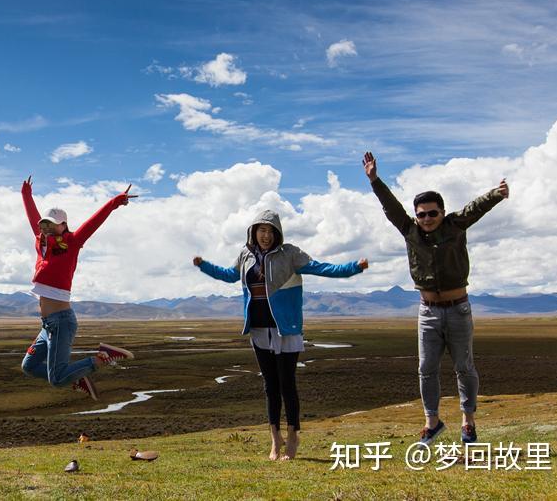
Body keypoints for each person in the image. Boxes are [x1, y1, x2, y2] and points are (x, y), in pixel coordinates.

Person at [193, 210, 368, 461]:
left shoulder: (290, 254)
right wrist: (204, 266)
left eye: (270, 231)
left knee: (287, 384)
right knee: (270, 387)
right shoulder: (245, 255)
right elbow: (229, 275)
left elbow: (322, 268)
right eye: (261, 230)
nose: (265, 235)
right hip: (258, 329)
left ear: (277, 233)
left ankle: (293, 434)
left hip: (285, 329)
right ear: (253, 231)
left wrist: (354, 268)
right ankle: (275, 440)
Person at [362, 151, 508, 447]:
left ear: (442, 212)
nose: (426, 218)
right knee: (426, 368)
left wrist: (497, 193)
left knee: (464, 367)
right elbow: (391, 208)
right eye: (421, 214)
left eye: (432, 213)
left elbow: (475, 208)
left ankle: (468, 422)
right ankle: (433, 422)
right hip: (427, 312)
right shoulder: (410, 231)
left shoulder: (455, 226)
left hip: (458, 310)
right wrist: (374, 180)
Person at [19, 177, 137, 400]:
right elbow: (32, 219)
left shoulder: (72, 243)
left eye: (53, 224)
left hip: (61, 322)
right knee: (28, 366)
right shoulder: (42, 244)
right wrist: (26, 194)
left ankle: (102, 357)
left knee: (57, 379)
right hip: (47, 325)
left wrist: (114, 202)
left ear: (63, 225)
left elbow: (93, 223)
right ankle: (76, 376)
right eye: (45, 224)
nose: (47, 227)